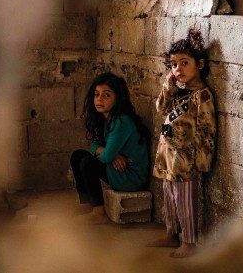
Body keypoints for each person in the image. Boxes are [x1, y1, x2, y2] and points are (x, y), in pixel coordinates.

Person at [148, 29, 217, 258]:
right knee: (169, 199)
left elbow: (207, 130)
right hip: (169, 157)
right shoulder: (178, 91)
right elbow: (161, 108)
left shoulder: (202, 96)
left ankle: (189, 242)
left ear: (200, 64)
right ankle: (171, 233)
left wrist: (202, 162)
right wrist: (168, 85)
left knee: (185, 203)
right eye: (174, 65)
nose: (178, 70)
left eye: (184, 63)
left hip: (187, 162)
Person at [70, 72, 150, 224]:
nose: (99, 99)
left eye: (106, 95)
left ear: (117, 98)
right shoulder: (108, 118)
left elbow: (105, 156)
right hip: (118, 168)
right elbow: (96, 146)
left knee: (88, 163)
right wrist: (110, 153)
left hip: (130, 176)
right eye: (97, 94)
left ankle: (99, 212)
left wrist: (108, 154)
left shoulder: (121, 121)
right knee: (77, 155)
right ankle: (87, 203)